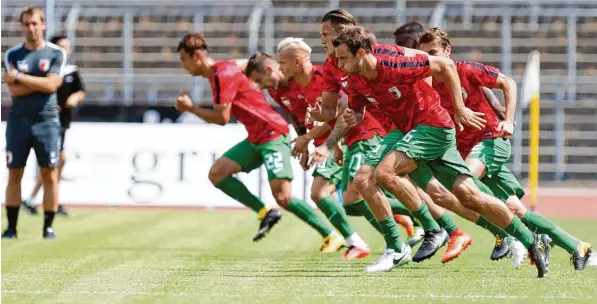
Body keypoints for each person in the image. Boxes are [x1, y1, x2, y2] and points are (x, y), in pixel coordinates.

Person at [328, 26, 551, 277]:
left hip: (432, 125)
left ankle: (430, 231)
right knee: (466, 195)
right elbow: (358, 109)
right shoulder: (354, 78)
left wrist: (460, 109)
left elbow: (445, 67)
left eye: (343, 58)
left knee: (385, 173)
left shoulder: (393, 64)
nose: (338, 64)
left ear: (360, 54)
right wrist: (353, 115)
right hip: (406, 130)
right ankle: (532, 240)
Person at [419, 27, 594, 270]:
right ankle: (577, 247)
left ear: (447, 51)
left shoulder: (466, 70)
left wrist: (508, 120)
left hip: (492, 140)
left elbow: (507, 82)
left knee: (464, 186)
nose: (431, 59)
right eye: (425, 55)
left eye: (434, 52)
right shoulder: (426, 83)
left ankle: (513, 238)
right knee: (515, 210)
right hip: (470, 152)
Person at [174, 32, 339, 250]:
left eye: (184, 60)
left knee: (283, 195)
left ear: (196, 56)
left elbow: (222, 118)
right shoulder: (226, 68)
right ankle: (265, 212)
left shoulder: (222, 74)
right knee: (217, 173)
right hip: (255, 137)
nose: (184, 66)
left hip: (272, 134)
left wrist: (191, 108)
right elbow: (248, 61)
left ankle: (331, 235)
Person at [244, 38, 371, 259]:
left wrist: (322, 142)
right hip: (328, 141)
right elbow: (297, 115)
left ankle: (364, 240)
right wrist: (303, 141)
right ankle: (409, 225)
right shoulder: (279, 91)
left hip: (344, 138)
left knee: (325, 193)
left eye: (259, 80)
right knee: (350, 199)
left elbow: (338, 115)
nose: (260, 87)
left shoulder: (320, 80)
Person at [2, 6, 66, 239]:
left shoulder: (56, 53)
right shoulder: (13, 54)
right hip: (18, 121)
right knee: (14, 173)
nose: (31, 28)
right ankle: (11, 228)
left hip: (46, 121)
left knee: (49, 173)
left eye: (35, 23)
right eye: (27, 24)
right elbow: (14, 91)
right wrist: (39, 82)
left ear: (43, 24)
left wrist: (20, 77)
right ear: (22, 27)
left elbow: (52, 86)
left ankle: (48, 227)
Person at [21, 34, 85, 217]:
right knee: (55, 161)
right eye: (63, 46)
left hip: (62, 122)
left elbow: (80, 91)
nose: (67, 50)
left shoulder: (71, 70)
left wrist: (75, 97)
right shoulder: (45, 68)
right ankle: (44, 200)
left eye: (68, 46)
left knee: (56, 162)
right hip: (47, 122)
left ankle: (37, 199)